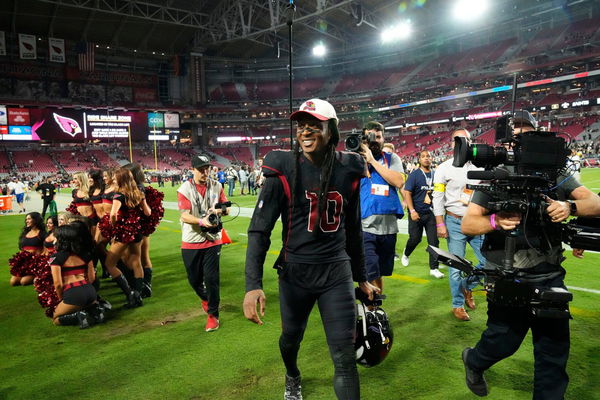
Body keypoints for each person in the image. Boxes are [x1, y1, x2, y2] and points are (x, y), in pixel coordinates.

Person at [243, 99, 378, 400]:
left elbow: (353, 229)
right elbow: (259, 229)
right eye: (302, 126)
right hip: (296, 272)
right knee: (290, 339)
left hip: (336, 271)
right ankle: (292, 374)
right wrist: (253, 285)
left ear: (331, 130)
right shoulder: (284, 167)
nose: (306, 131)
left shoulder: (349, 169)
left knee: (344, 358)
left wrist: (362, 277)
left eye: (314, 126)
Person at [460, 111, 600, 399]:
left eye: (528, 133)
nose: (523, 140)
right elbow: (468, 224)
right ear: (508, 142)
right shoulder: (496, 175)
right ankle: (474, 360)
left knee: (553, 354)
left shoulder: (556, 175)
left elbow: (594, 202)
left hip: (548, 273)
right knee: (503, 340)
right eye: (517, 135)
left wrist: (569, 208)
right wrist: (495, 222)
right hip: (505, 272)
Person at [432, 128, 485, 321]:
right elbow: (437, 196)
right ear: (452, 143)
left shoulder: (480, 166)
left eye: (466, 140)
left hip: (478, 221)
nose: (462, 143)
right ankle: (457, 305)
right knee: (456, 267)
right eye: (458, 140)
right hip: (454, 222)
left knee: (488, 263)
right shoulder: (443, 168)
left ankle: (467, 287)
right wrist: (440, 223)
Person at [178, 155, 230, 332]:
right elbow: (184, 215)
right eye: (201, 169)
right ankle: (207, 300)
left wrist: (219, 211)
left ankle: (213, 315)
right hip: (191, 240)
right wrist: (201, 222)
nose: (205, 172)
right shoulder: (184, 189)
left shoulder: (217, 185)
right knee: (194, 279)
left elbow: (227, 207)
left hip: (213, 240)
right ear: (192, 169)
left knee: (212, 278)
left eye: (207, 168)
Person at [358, 121, 405, 293]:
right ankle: (370, 310)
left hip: (389, 228)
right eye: (370, 137)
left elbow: (399, 181)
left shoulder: (392, 158)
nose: (374, 140)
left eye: (378, 137)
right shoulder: (355, 160)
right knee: (369, 271)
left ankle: (374, 309)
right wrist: (363, 159)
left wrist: (372, 161)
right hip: (364, 227)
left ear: (383, 138)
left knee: (379, 272)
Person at [103, 168, 151, 308]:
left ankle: (130, 294)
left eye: (116, 177)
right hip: (137, 232)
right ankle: (138, 295)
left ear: (121, 179)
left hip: (123, 233)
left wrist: (114, 225)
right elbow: (147, 212)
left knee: (109, 264)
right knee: (136, 260)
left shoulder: (119, 195)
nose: (114, 179)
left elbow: (113, 214)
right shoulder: (139, 193)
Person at [50, 224, 103, 328]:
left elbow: (58, 284)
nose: (54, 239)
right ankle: (95, 311)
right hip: (90, 292)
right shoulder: (86, 254)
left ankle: (78, 316)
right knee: (82, 304)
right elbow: (92, 278)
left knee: (55, 319)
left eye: (56, 237)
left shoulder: (55, 257)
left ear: (61, 239)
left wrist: (62, 299)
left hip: (73, 293)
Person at [400, 150, 443, 278]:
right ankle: (406, 253)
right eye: (423, 156)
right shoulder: (414, 175)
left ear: (432, 158)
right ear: (419, 160)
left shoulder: (436, 175)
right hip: (416, 213)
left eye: (428, 156)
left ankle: (433, 268)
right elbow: (407, 193)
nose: (426, 158)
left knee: (434, 241)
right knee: (415, 239)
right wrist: (412, 211)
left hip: (431, 213)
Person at [8, 212, 47, 286]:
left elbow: (45, 251)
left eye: (29, 219)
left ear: (35, 220)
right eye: (26, 219)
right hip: (24, 263)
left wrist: (39, 261)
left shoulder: (42, 234)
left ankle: (37, 275)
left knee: (23, 282)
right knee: (13, 282)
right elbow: (22, 249)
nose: (27, 221)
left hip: (35, 263)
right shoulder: (25, 233)